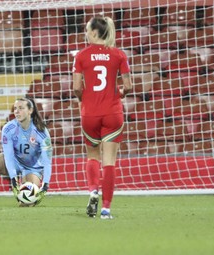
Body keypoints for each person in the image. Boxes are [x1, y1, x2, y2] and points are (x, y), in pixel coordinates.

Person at [72, 16, 132, 219]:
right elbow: (129, 86)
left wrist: (84, 99)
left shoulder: (81, 55)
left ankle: (92, 191)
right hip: (112, 113)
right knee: (109, 161)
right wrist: (120, 93)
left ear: (95, 33)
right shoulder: (118, 55)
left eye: (87, 30)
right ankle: (106, 210)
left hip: (89, 113)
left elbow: (76, 88)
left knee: (92, 156)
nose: (86, 32)